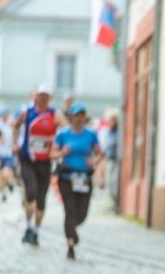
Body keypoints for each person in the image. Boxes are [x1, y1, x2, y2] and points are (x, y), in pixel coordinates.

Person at [13, 83, 67, 245]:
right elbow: (15, 126)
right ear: (36, 96)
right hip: (28, 159)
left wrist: (58, 149)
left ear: (50, 98)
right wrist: (14, 144)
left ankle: (36, 231)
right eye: (40, 95)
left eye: (46, 96)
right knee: (31, 192)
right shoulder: (27, 112)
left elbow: (67, 132)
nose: (42, 99)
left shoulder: (55, 115)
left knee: (41, 199)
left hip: (45, 161)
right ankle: (28, 226)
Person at [51, 103, 103, 260]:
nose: (79, 119)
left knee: (81, 214)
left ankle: (73, 231)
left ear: (84, 118)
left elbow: (99, 153)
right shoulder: (63, 134)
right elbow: (52, 154)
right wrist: (62, 152)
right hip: (67, 178)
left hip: (84, 178)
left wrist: (93, 161)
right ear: (71, 117)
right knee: (70, 210)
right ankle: (70, 245)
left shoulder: (91, 135)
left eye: (81, 116)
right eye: (76, 116)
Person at [0, 108, 16, 202]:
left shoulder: (11, 124)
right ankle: (3, 193)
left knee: (6, 172)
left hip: (9, 153)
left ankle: (11, 183)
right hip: (0, 153)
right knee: (0, 176)